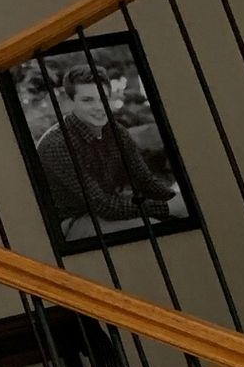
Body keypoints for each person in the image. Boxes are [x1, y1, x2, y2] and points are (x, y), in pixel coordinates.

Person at [34, 63, 186, 240]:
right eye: (88, 100)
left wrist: (179, 201)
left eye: (103, 98)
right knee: (154, 229)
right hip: (68, 223)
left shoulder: (116, 132)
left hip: (107, 210)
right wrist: (168, 208)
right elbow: (102, 204)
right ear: (70, 102)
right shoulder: (57, 144)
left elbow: (145, 181)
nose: (98, 107)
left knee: (180, 218)